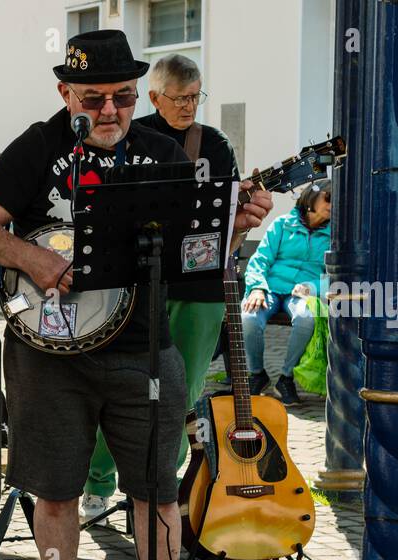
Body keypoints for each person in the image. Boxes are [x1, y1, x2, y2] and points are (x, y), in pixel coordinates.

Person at [0, 30, 271, 560]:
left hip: (143, 345)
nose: (109, 112)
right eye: (93, 98)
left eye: (123, 99)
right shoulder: (39, 146)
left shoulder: (162, 153)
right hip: (45, 349)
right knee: (55, 490)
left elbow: (192, 252)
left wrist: (230, 225)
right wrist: (34, 257)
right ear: (65, 93)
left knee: (158, 490)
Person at [81, 53, 241, 520]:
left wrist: (242, 221)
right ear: (154, 97)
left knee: (178, 397)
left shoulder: (213, 144)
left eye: (196, 97)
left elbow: (226, 225)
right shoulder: (126, 138)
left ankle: (155, 496)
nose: (190, 106)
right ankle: (97, 482)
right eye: (180, 98)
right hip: (133, 285)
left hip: (201, 288)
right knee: (122, 389)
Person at [239, 179, 331, 407]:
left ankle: (285, 378)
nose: (333, 205)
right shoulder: (281, 224)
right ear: (311, 198)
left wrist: (313, 287)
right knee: (249, 317)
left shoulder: (335, 236)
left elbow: (334, 275)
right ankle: (257, 375)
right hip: (269, 288)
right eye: (328, 198)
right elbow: (260, 260)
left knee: (306, 318)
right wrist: (257, 287)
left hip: (301, 293)